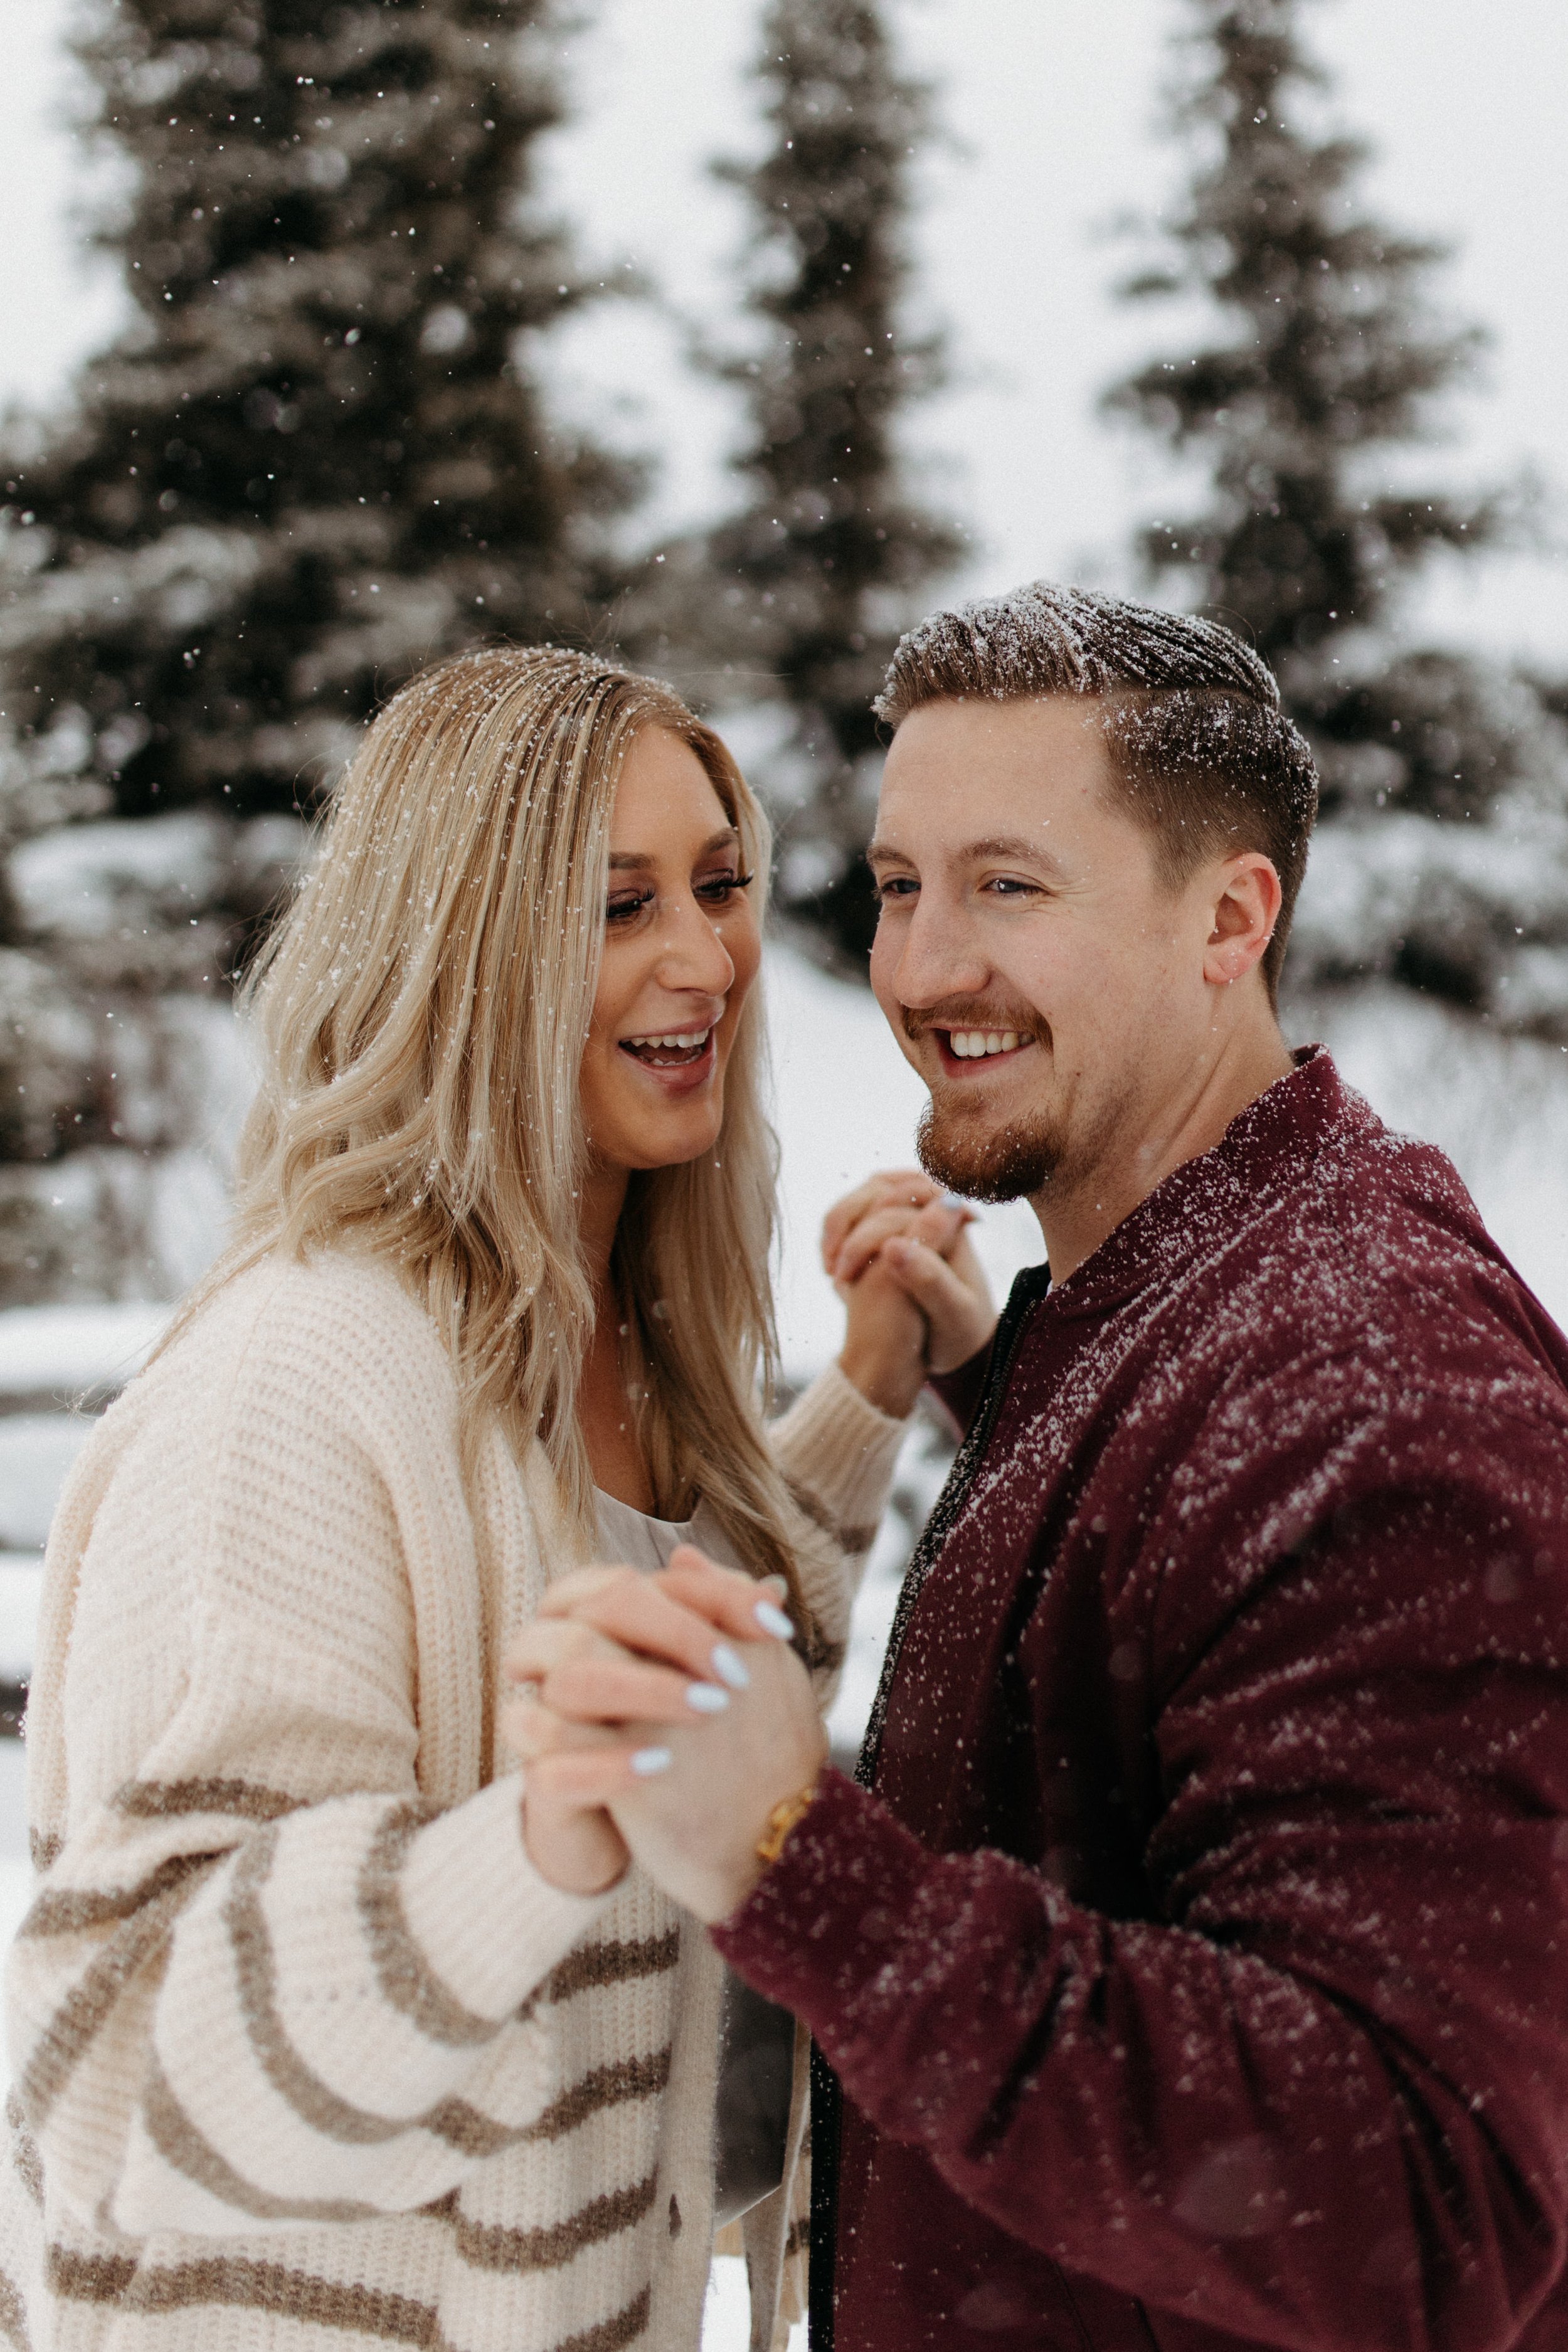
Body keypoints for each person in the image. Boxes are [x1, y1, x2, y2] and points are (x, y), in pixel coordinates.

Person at [512, 585, 1568, 2352]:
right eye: (901, 886)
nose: (924, 970)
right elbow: (1169, 1654)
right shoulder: (1188, 1306)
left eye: (1009, 886)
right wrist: (995, 1385)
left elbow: (1411, 2204)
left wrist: (801, 1865)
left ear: (1229, 918)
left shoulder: (1371, 1394)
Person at [0, 645, 977, 2352]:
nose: (706, 957)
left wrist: (865, 1393)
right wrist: (521, 1853)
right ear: (466, 952)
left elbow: (677, 1679)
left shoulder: (593, 1344)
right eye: (613, 906)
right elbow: (118, 2073)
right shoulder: (295, 1394)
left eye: (717, 883)